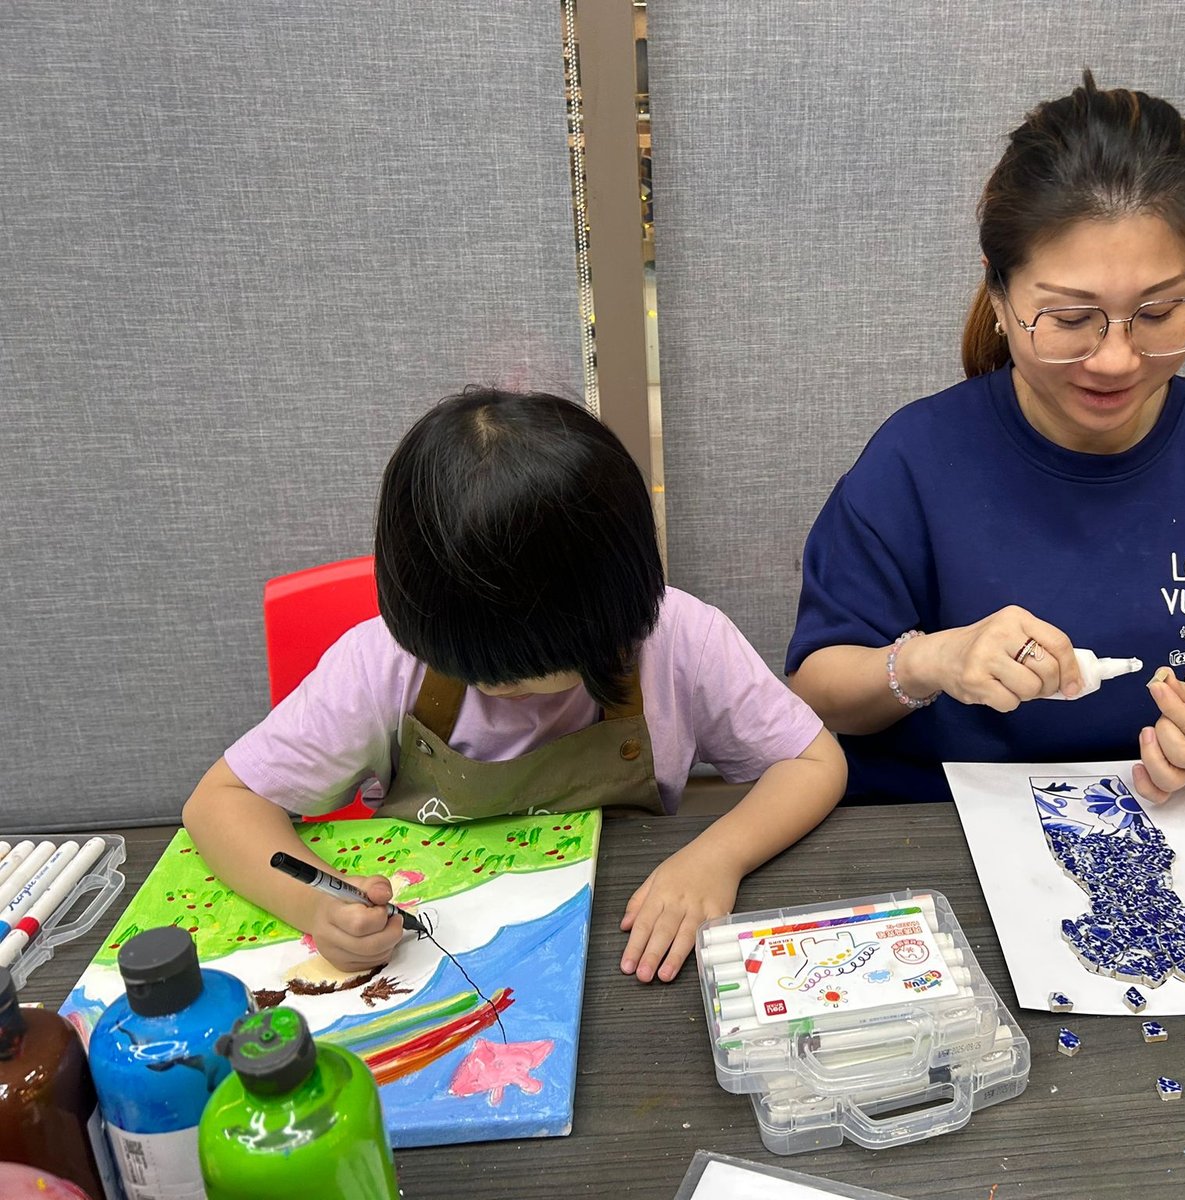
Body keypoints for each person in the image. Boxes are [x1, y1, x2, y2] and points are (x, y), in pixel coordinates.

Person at [787, 71, 1185, 805]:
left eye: (1161, 311)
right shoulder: (915, 461)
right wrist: (931, 662)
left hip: (1158, 817)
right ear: (1000, 294)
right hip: (934, 818)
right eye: (1071, 319)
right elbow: (818, 689)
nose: (1115, 358)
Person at [185, 388, 845, 984]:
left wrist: (715, 859)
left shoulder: (681, 639)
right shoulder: (382, 666)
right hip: (429, 955)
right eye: (489, 678)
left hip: (622, 946)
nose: (526, 693)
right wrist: (317, 901)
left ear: (631, 594)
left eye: (562, 665)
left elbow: (814, 761)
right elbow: (221, 801)